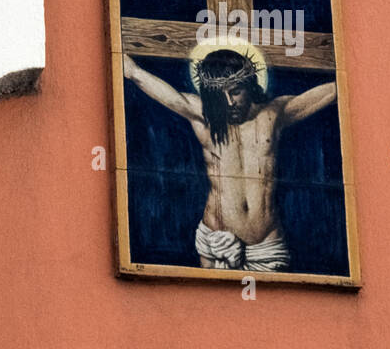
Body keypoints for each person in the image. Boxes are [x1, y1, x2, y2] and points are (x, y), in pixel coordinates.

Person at [122, 45, 336, 272]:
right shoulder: (204, 116)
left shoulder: (273, 115)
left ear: (249, 86)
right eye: (220, 95)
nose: (229, 102)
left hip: (264, 246)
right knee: (211, 305)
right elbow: (141, 77)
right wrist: (128, 66)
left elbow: (336, 89)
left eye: (235, 92)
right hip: (216, 239)